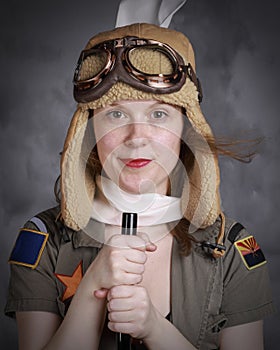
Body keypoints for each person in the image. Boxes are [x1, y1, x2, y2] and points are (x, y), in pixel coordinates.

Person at [5, 23, 275, 350]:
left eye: (159, 114)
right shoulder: (44, 242)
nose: (137, 138)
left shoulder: (231, 250)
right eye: (116, 114)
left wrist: (154, 329)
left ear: (186, 130)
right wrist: (92, 289)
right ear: (88, 131)